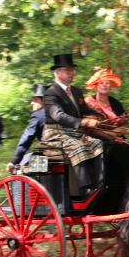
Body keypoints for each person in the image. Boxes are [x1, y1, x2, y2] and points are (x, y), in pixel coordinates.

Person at [41, 54, 103, 196]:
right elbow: (58, 116)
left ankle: (100, 184)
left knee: (97, 144)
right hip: (56, 133)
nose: (72, 73)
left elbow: (86, 111)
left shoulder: (76, 91)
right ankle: (84, 189)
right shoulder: (50, 93)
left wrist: (92, 119)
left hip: (75, 133)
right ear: (57, 72)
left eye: (72, 70)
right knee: (78, 147)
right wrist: (83, 122)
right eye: (68, 70)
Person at [6, 84, 47, 173]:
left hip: (46, 155)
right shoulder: (60, 112)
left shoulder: (38, 115)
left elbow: (27, 139)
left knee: (20, 166)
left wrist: (14, 161)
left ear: (44, 101)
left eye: (35, 100)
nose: (31, 103)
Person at [84, 67, 129, 134]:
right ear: (96, 86)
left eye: (107, 83)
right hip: (94, 138)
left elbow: (124, 126)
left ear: (110, 87)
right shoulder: (88, 103)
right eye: (101, 83)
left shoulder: (116, 103)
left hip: (115, 137)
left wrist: (112, 134)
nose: (104, 85)